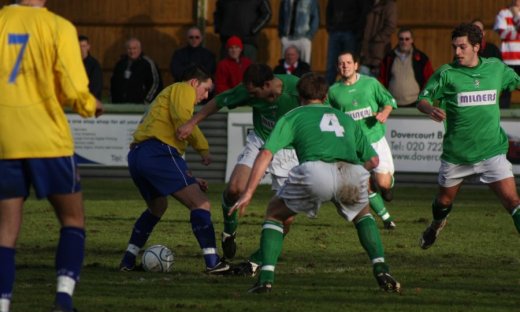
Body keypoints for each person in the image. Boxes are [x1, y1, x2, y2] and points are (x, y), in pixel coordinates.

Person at [229, 72, 401, 294]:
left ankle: (265, 279)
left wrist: (249, 192)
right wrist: (356, 172)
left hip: (314, 171)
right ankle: (381, 268)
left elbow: (265, 154)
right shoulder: (346, 118)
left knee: (275, 213)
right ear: (325, 95)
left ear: (299, 95)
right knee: (364, 215)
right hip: (349, 170)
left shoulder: (293, 116)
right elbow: (374, 160)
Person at [0, 1, 104, 312]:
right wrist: (90, 106)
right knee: (72, 219)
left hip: (5, 139)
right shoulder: (59, 26)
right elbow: (74, 87)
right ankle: (63, 300)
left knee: (5, 232)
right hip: (47, 138)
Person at [176, 64, 300, 260]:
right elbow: (218, 101)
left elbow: (320, 109)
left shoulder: (296, 89)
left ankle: (255, 262)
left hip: (291, 150)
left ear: (267, 85)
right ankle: (229, 231)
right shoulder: (248, 89)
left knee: (286, 217)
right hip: (261, 141)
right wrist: (192, 122)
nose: (249, 96)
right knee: (234, 188)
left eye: (253, 93)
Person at [416, 23, 520, 250]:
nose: (457, 52)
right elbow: (422, 98)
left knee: (513, 202)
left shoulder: (496, 69)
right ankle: (436, 225)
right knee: (443, 201)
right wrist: (429, 109)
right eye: (454, 47)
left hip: (491, 151)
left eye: (462, 47)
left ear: (477, 46)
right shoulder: (446, 73)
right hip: (457, 155)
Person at [118, 66, 230, 275]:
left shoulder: (166, 94)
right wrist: (203, 148)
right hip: (159, 153)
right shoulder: (183, 88)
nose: (206, 97)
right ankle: (212, 262)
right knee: (201, 204)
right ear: (194, 82)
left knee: (157, 207)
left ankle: (128, 260)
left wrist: (191, 178)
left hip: (138, 156)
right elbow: (183, 121)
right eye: (206, 89)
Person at [327, 51, 397, 230]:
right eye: (341, 63)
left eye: (349, 62)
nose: (345, 66)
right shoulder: (333, 92)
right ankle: (387, 219)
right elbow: (328, 116)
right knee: (364, 185)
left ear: (356, 65)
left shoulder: (370, 83)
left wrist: (384, 113)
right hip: (353, 146)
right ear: (337, 67)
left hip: (375, 140)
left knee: (383, 183)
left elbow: (388, 101)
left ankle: (386, 187)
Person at [378, 27, 434, 107]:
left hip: (415, 103)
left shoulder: (421, 58)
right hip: (392, 104)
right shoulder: (389, 58)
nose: (404, 42)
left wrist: (424, 98)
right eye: (401, 39)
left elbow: (430, 80)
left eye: (407, 39)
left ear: (412, 40)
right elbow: (381, 79)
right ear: (398, 40)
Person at [325, 0, 372, 84]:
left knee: (349, 64)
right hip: (335, 32)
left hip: (350, 33)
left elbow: (362, 13)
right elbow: (329, 11)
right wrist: (330, 27)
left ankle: (351, 89)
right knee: (331, 66)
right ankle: (327, 93)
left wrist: (356, 31)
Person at [110, 37, 163, 104]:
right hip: (120, 105)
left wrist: (146, 101)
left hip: (140, 107)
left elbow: (156, 84)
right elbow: (113, 82)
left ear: (140, 49)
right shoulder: (120, 64)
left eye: (134, 48)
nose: (132, 51)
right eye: (129, 48)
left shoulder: (148, 64)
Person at [359, 0, 397, 77]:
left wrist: (377, 38)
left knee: (378, 84)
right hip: (365, 54)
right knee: (363, 85)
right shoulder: (367, 4)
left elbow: (391, 25)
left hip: (379, 53)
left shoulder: (389, 5)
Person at [494, 0, 520, 108]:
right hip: (507, 59)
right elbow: (502, 34)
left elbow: (507, 33)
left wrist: (516, 15)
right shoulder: (503, 13)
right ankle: (503, 116)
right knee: (505, 90)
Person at [79, 34, 103, 100]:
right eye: (79, 46)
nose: (81, 49)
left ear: (88, 47)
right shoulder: (73, 63)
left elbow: (95, 86)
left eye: (84, 46)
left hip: (90, 101)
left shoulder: (94, 65)